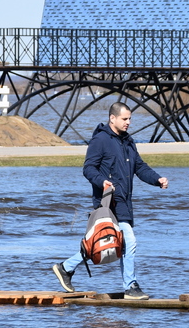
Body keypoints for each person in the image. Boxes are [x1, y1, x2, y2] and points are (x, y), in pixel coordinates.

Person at [52, 102, 168, 300]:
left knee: (109, 243)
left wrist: (157, 180)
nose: (128, 122)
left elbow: (140, 167)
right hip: (107, 202)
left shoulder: (128, 141)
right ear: (112, 118)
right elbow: (88, 168)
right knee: (128, 241)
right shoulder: (100, 140)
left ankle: (66, 267)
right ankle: (130, 287)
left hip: (124, 202)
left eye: (130, 119)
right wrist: (102, 181)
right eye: (124, 119)